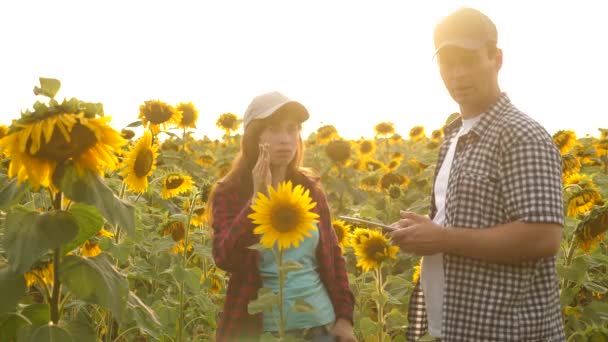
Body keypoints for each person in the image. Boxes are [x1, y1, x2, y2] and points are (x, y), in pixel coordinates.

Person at [389, 7, 565, 342]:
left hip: (507, 332)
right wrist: (421, 233)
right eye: (447, 62)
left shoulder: (520, 134)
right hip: (455, 327)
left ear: (496, 58)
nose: (457, 74)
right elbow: (457, 222)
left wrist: (443, 239)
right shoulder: (455, 133)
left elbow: (544, 236)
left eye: (468, 60)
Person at [208, 91, 357, 341]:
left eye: (292, 129)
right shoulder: (231, 192)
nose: (285, 140)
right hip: (260, 331)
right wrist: (256, 199)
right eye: (274, 129)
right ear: (254, 136)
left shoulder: (309, 189)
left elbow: (333, 256)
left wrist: (344, 318)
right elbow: (225, 257)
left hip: (322, 329)